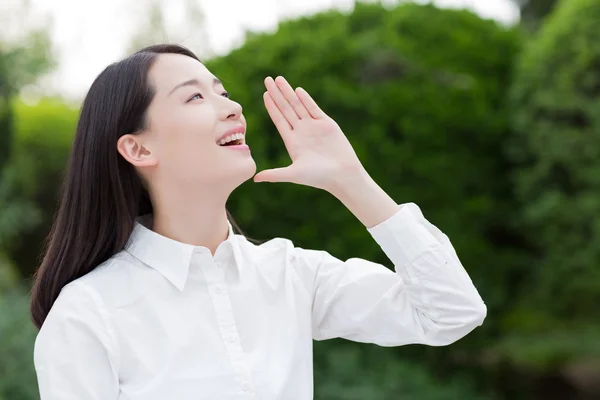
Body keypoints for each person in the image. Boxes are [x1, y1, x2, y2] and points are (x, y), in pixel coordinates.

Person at [31, 44, 486, 400]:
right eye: (194, 96)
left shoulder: (289, 274)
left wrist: (351, 180)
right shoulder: (89, 312)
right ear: (139, 149)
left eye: (222, 92)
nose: (232, 108)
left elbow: (451, 313)